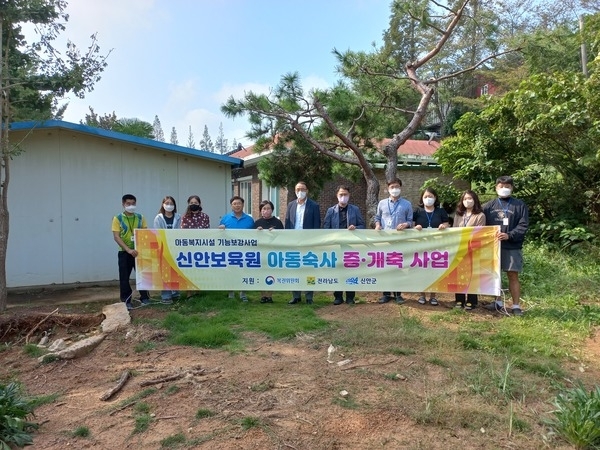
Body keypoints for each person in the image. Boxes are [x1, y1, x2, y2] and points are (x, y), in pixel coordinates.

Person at [483, 176, 529, 316]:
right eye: (501, 186)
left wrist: (510, 235)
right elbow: (481, 224)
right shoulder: (488, 206)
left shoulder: (519, 205)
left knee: (512, 274)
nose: (504, 189)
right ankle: (497, 302)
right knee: (495, 275)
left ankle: (516, 306)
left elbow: (523, 225)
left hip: (512, 246)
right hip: (493, 246)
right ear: (496, 188)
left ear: (512, 188)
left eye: (507, 186)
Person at [323, 185, 365, 305]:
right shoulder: (331, 211)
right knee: (337, 271)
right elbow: (326, 228)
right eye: (341, 195)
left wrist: (355, 227)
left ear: (349, 195)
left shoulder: (355, 210)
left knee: (351, 271)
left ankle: (350, 297)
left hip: (351, 247)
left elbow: (363, 225)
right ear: (337, 196)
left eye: (345, 194)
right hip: (336, 246)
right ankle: (338, 296)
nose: (343, 197)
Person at [374, 178, 413, 304]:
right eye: (392, 187)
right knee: (385, 268)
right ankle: (386, 294)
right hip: (385, 241)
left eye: (397, 187)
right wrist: (377, 224)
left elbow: (410, 220)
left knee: (398, 267)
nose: (394, 189)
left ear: (400, 188)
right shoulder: (382, 203)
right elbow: (377, 217)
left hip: (399, 241)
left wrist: (406, 225)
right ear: (387, 189)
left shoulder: (407, 204)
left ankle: (398, 294)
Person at [285, 181, 321, 305]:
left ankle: (309, 296)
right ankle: (296, 296)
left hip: (308, 243)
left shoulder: (314, 206)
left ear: (307, 191)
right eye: (298, 189)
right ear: (295, 191)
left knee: (309, 269)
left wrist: (314, 242)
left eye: (303, 189)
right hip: (294, 243)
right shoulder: (290, 205)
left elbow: (317, 226)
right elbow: (288, 224)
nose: (300, 191)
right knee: (294, 269)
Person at [111, 194, 150, 310]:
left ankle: (145, 298)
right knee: (124, 277)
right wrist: (128, 250)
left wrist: (140, 248)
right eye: (128, 204)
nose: (131, 206)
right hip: (124, 252)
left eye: (133, 203)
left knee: (142, 275)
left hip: (139, 252)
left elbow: (145, 233)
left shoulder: (140, 217)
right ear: (123, 204)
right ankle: (126, 300)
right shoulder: (117, 218)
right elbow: (116, 236)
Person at [412, 187, 449, 306]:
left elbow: (447, 223)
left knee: (434, 271)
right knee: (422, 271)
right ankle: (422, 295)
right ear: (422, 199)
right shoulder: (417, 211)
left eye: (431, 196)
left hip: (436, 246)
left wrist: (443, 226)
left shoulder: (441, 211)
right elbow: (412, 226)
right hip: (421, 246)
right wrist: (415, 228)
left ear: (435, 198)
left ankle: (433, 296)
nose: (428, 199)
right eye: (426, 196)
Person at [453, 189, 486, 310]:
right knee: (459, 275)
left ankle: (472, 300)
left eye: (470, 199)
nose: (468, 201)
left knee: (472, 275)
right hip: (459, 249)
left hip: (473, 249)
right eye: (465, 199)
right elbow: (454, 230)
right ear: (462, 201)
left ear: (475, 200)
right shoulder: (458, 215)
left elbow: (480, 232)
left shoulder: (480, 215)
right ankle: (459, 300)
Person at [219, 196, 255, 301]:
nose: (237, 205)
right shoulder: (225, 219)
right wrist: (220, 229)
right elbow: (220, 235)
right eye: (234, 204)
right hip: (230, 251)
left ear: (243, 205)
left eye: (239, 203)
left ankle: (243, 294)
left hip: (245, 251)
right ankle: (231, 293)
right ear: (231, 205)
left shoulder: (249, 219)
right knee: (230, 271)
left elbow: (254, 236)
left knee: (244, 272)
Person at [253, 199, 284, 303]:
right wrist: (258, 232)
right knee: (261, 273)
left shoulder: (278, 222)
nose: (266, 210)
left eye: (268, 208)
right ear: (260, 210)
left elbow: (283, 237)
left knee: (271, 273)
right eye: (263, 208)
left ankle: (270, 295)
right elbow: (252, 239)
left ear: (272, 210)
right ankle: (263, 295)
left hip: (273, 252)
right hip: (260, 252)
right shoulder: (257, 223)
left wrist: (275, 233)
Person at [153, 196, 182, 304]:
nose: (169, 205)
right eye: (167, 203)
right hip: (163, 248)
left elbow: (180, 231)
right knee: (165, 272)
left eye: (171, 203)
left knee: (175, 271)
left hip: (175, 248)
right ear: (163, 204)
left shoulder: (178, 217)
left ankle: (176, 293)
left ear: (174, 205)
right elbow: (157, 233)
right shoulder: (158, 218)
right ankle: (166, 295)